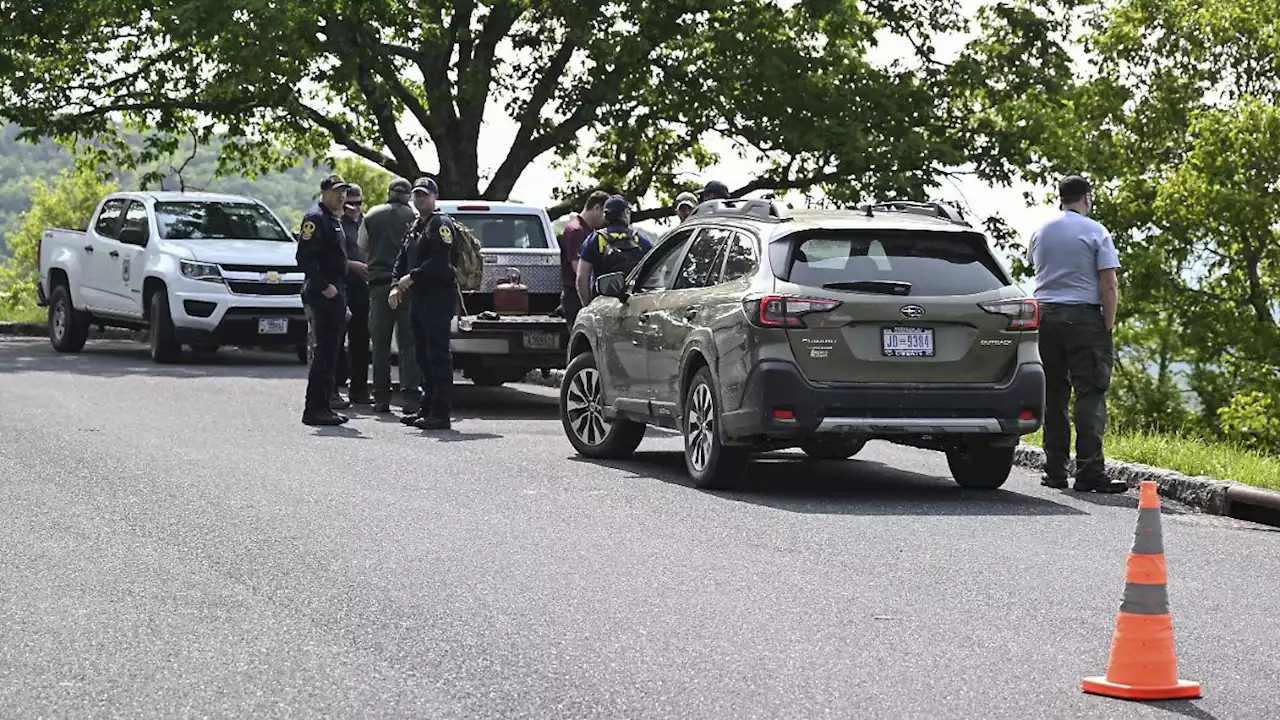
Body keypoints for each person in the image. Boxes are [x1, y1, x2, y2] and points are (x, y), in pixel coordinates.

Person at [1027, 175, 1126, 493]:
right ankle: (1089, 473)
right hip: (1084, 320)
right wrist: (1107, 325)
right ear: (1086, 197)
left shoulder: (1041, 231)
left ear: (1061, 198)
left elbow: (1037, 269)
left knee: (1053, 395)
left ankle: (1055, 470)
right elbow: (1108, 284)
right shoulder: (1096, 231)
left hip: (1045, 318)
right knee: (1090, 394)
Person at [389, 177, 460, 431]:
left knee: (437, 356)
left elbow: (441, 263)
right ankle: (426, 407)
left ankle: (440, 413)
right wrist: (396, 283)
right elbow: (401, 258)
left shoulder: (441, 224)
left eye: (424, 194)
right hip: (418, 299)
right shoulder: (415, 226)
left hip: (437, 299)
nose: (420, 199)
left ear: (434, 196)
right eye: (416, 195)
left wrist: (412, 277)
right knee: (421, 354)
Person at [358, 178, 423, 415]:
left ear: (389, 193)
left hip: (379, 286)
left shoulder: (373, 215)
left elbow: (362, 246)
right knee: (409, 343)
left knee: (380, 345)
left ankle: (381, 398)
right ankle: (411, 397)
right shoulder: (416, 218)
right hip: (407, 286)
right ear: (407, 196)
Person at [296, 173, 353, 426]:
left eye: (343, 191)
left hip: (337, 293)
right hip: (324, 294)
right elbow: (305, 258)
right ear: (324, 192)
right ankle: (315, 409)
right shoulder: (316, 218)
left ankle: (324, 405)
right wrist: (325, 286)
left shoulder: (334, 218)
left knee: (331, 354)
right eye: (336, 191)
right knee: (324, 353)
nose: (341, 195)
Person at [576, 195, 652, 307]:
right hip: (634, 304)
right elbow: (655, 271)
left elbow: (581, 278)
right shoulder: (640, 238)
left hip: (603, 306)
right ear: (626, 213)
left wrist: (587, 306)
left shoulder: (595, 239)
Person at [336, 183, 372, 406]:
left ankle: (359, 390)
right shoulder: (336, 224)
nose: (355, 208)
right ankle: (335, 385)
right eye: (351, 204)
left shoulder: (367, 223)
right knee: (336, 340)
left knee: (360, 341)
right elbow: (329, 256)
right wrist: (351, 266)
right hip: (342, 284)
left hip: (362, 288)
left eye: (359, 203)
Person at [557, 190, 609, 326]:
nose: (606, 219)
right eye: (604, 214)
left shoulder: (588, 231)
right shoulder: (576, 231)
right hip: (576, 295)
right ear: (597, 208)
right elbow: (578, 268)